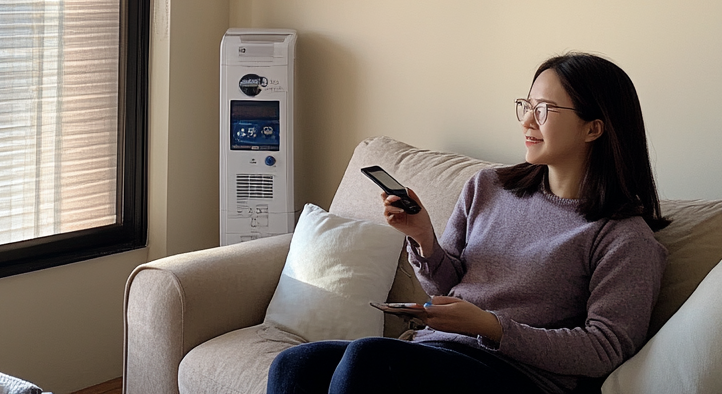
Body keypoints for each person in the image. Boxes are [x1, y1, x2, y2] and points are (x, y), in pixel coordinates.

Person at [266, 52, 669, 394]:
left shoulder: (622, 237)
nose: (527, 121)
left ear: (594, 128)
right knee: (295, 365)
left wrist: (491, 327)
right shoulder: (489, 187)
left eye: (543, 110)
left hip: (515, 375)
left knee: (367, 358)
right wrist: (423, 237)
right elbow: (445, 288)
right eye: (526, 106)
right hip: (438, 348)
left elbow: (605, 348)